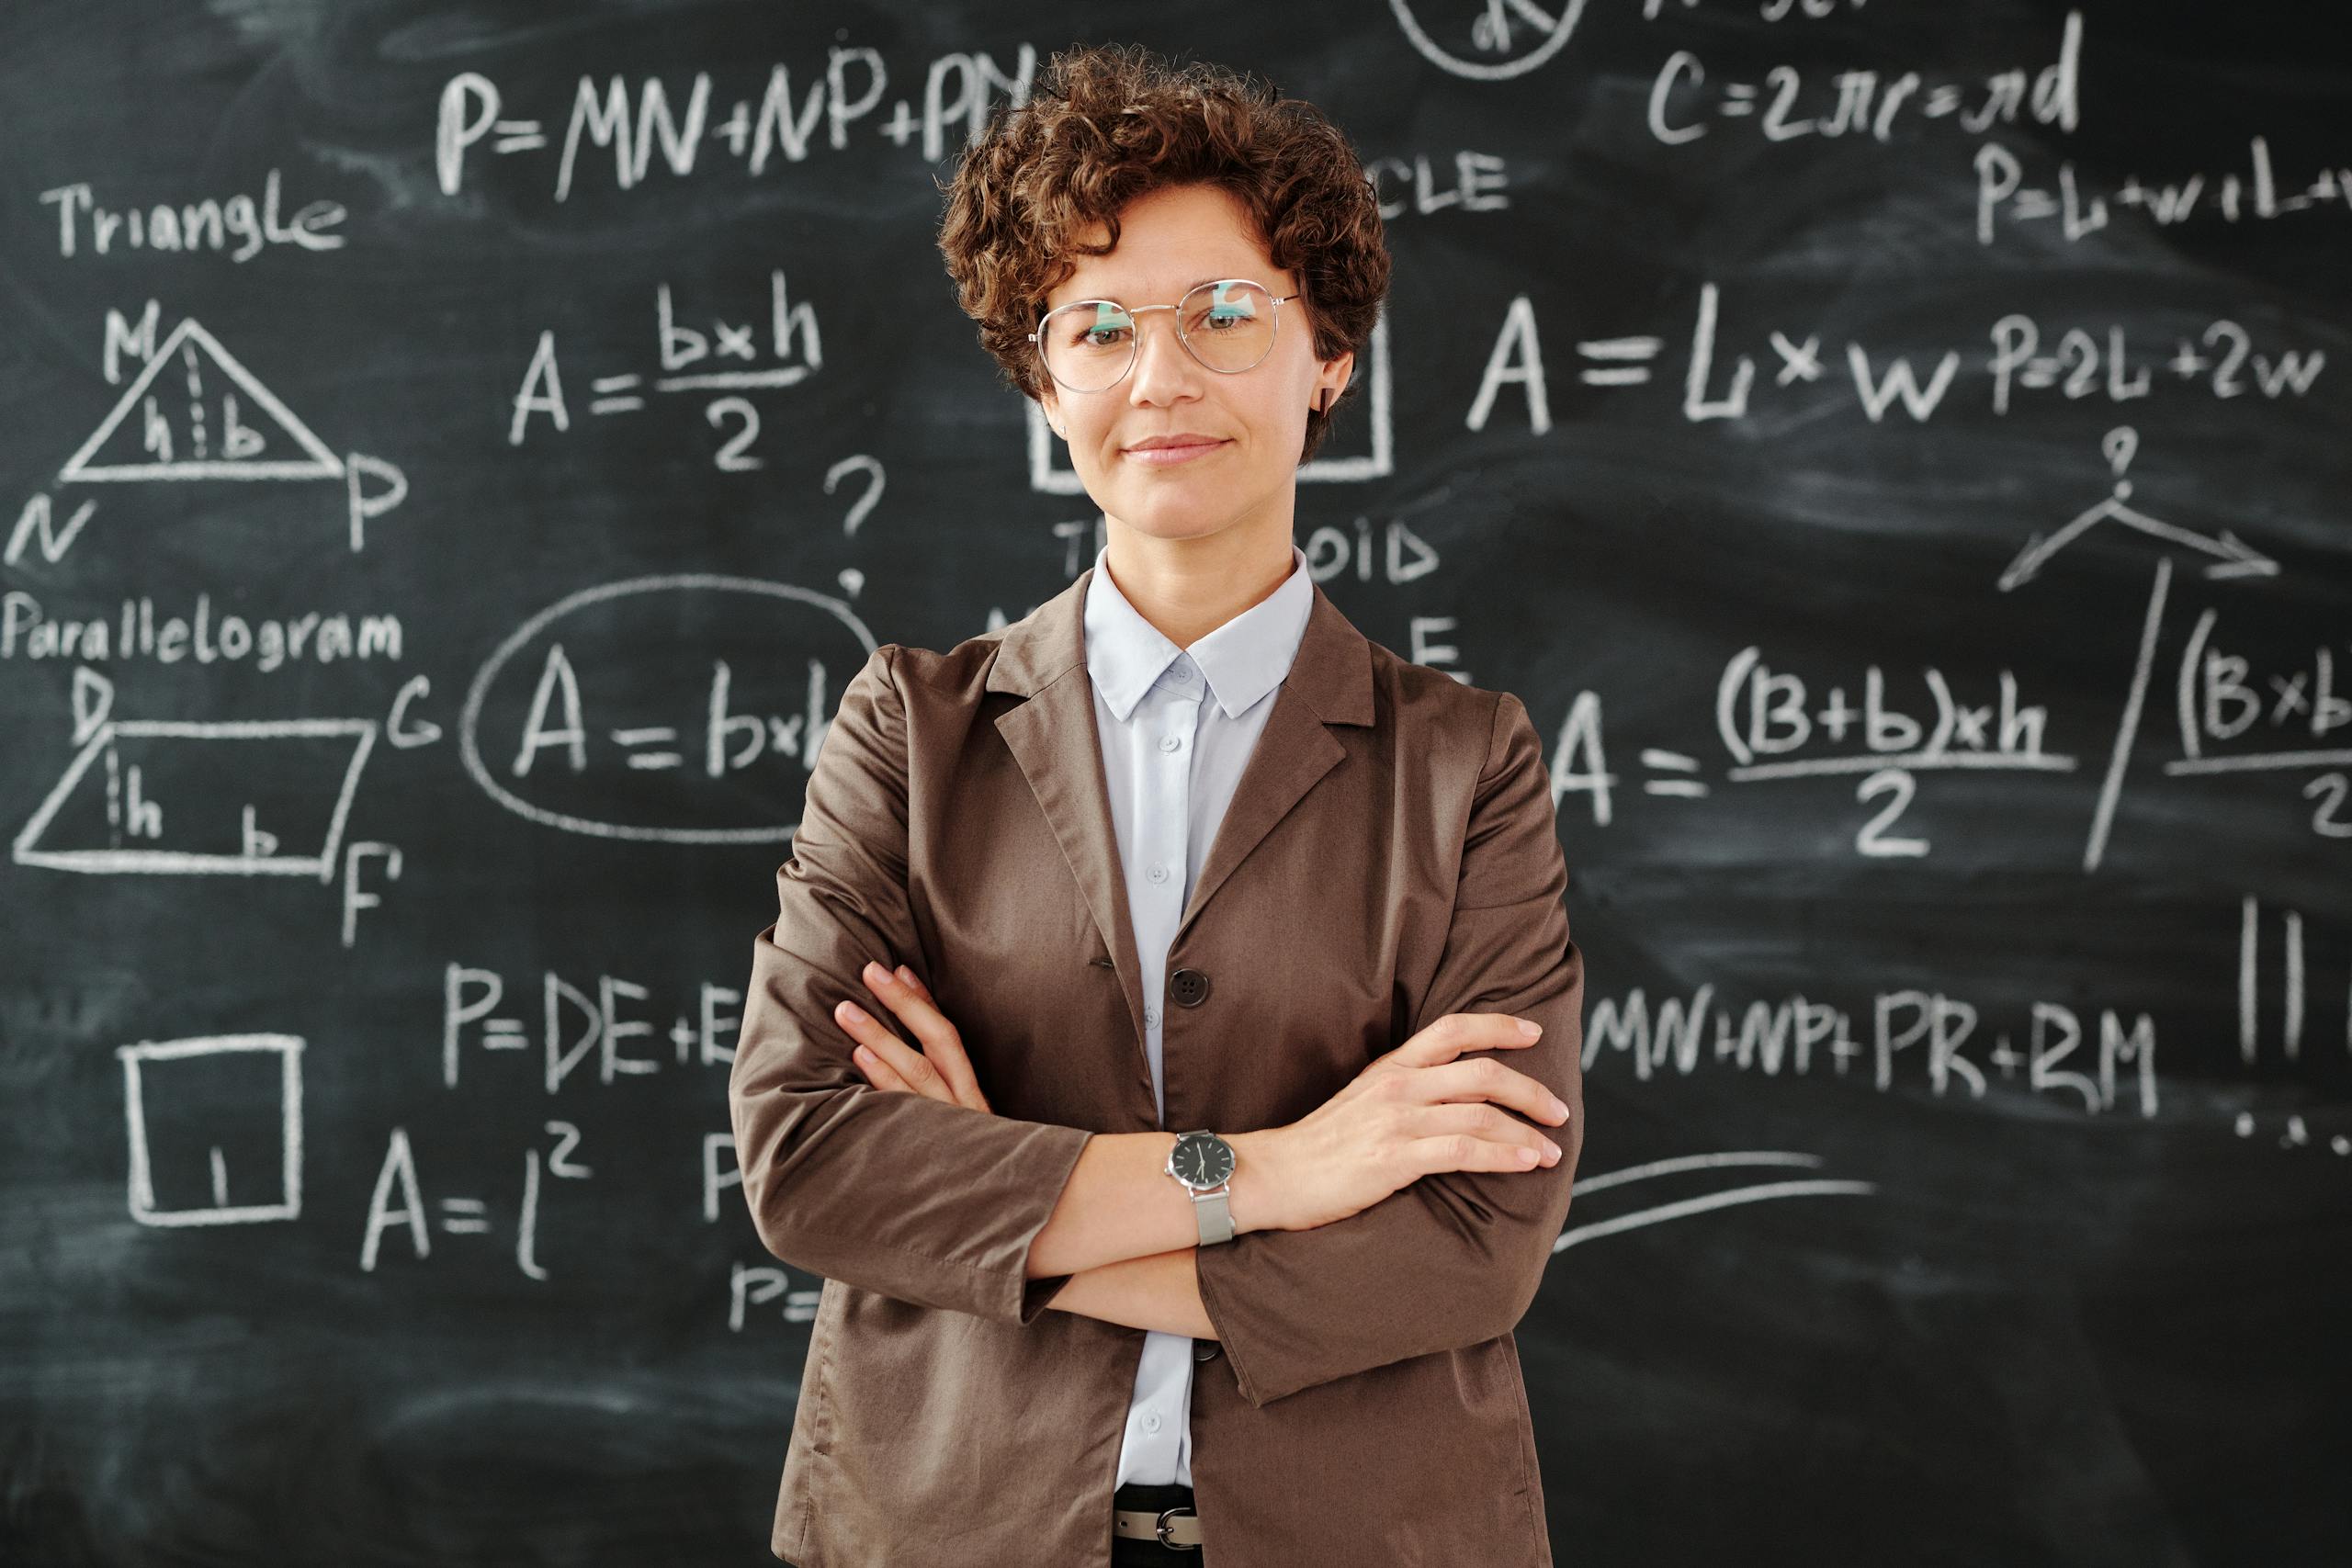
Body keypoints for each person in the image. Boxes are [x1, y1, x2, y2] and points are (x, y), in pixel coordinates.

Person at [728, 41, 1587, 1568]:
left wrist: (1001, 1212)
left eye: (1225, 315)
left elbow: (1468, 1248)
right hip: (947, 1527)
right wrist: (1280, 1173)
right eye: (1100, 324)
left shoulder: (1469, 764)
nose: (1161, 377)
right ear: (1042, 375)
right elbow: (813, 1160)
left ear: (1327, 355)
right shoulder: (911, 735)